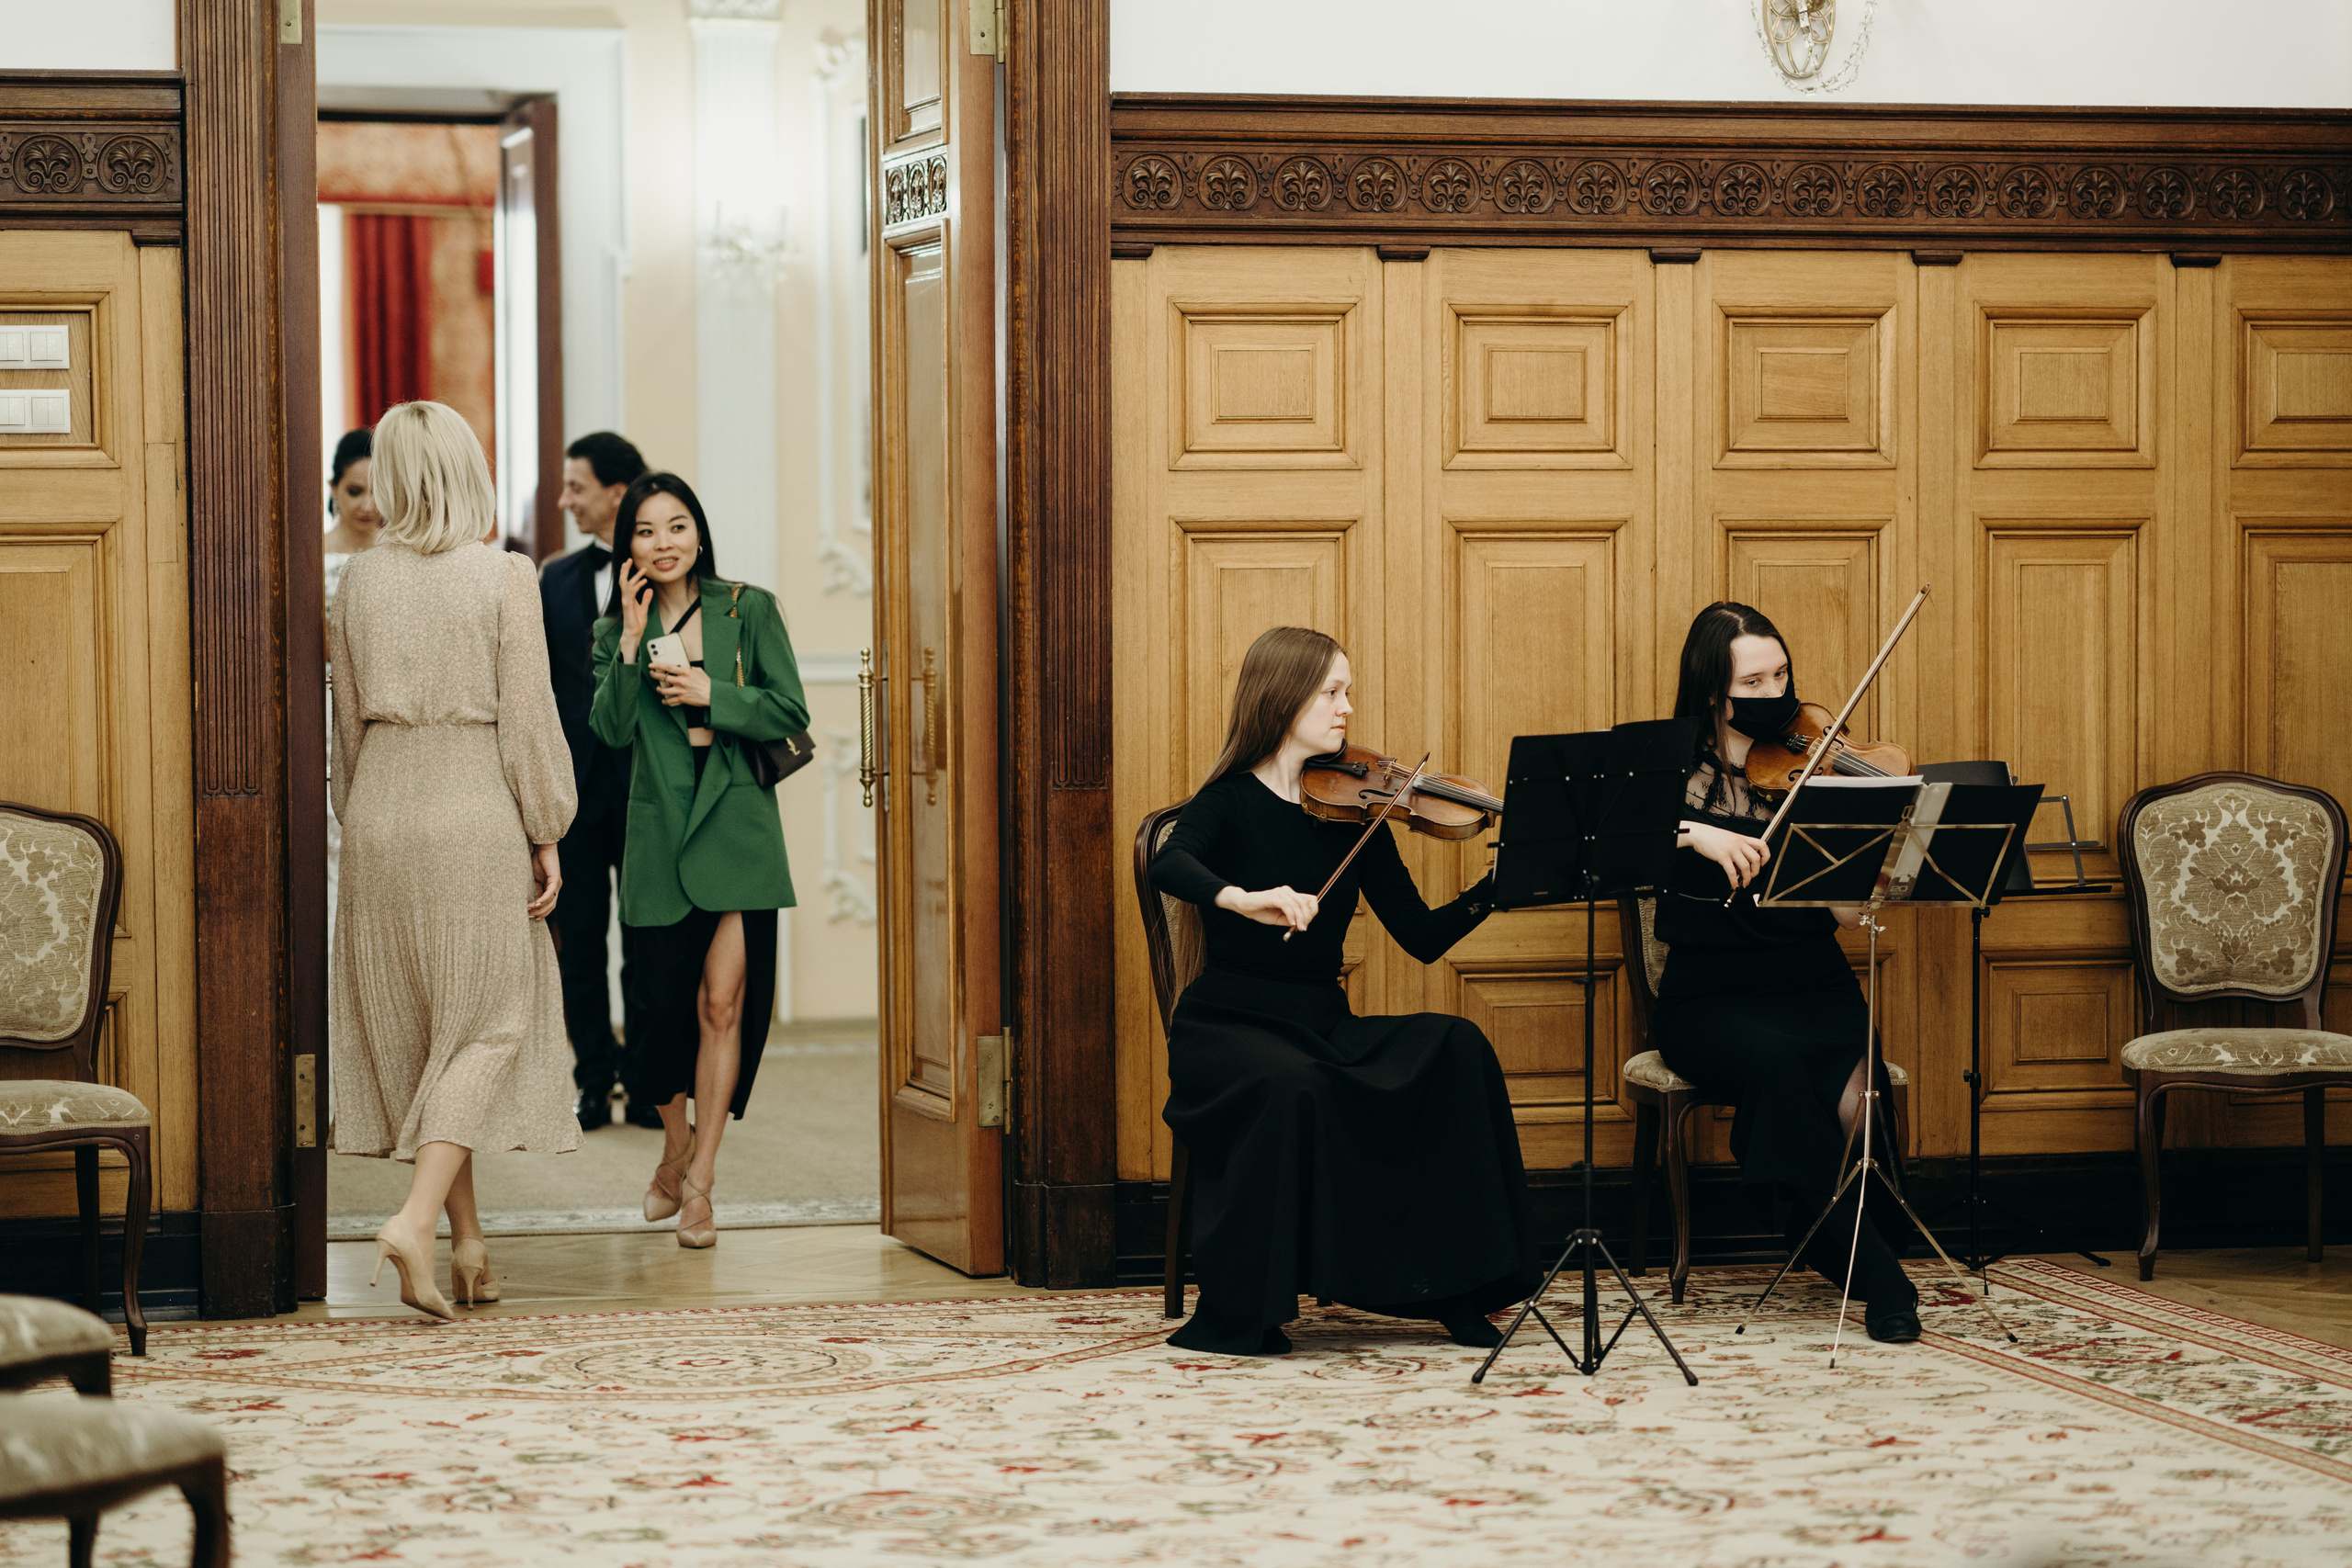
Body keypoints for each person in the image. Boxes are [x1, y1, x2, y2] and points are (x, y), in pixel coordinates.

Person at [1147, 626, 1534, 1357]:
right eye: (1331, 691)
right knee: (1292, 1084)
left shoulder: (1359, 809)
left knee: (1455, 1045)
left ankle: (1454, 1288)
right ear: (1282, 695)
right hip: (1227, 1026)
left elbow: (1419, 935)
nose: (1346, 707)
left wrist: (1496, 890)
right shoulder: (1226, 800)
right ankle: (1251, 1309)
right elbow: (1171, 864)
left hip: (1321, 1021)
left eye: (1346, 690)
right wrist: (1240, 897)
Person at [329, 400, 581, 1320]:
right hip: (474, 806)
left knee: (436, 1030)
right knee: (492, 1023)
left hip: (381, 812)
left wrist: (360, 818)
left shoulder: (358, 579)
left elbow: (345, 725)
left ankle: (468, 1245)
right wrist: (547, 826)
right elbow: (529, 714)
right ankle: (414, 1217)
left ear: (390, 476)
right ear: (467, 469)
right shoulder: (503, 576)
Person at [1651, 601, 1921, 1345]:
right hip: (1711, 997)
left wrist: (1873, 871)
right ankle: (1881, 1279)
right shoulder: (1673, 770)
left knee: (1854, 1083)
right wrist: (1696, 832)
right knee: (1775, 1064)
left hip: (1812, 980)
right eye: (1755, 680)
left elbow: (1834, 915)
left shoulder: (1818, 769)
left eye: (1783, 675)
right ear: (1714, 692)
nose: (1777, 695)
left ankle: (1859, 1247)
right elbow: (1614, 836)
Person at [591, 472, 807, 1248]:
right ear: (629, 549)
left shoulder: (748, 609)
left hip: (736, 832)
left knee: (723, 1008)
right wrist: (625, 640)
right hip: (657, 840)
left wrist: (713, 692)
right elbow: (611, 732)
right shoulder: (612, 626)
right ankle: (673, 1146)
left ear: (700, 534)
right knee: (658, 1018)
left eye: (677, 526)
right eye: (646, 531)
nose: (664, 543)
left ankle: (703, 1182)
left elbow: (790, 710)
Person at [541, 431, 654, 1131]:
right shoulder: (551, 578)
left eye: (576, 486)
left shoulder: (667, 569)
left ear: (616, 491)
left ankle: (647, 1082)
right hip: (573, 790)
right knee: (579, 941)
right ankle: (592, 1079)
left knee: (646, 942)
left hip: (647, 785)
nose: (565, 499)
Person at [322, 428, 380, 959]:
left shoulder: (400, 559)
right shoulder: (309, 557)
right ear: (333, 489)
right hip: (324, 708)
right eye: (355, 490)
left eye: (377, 489)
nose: (367, 505)